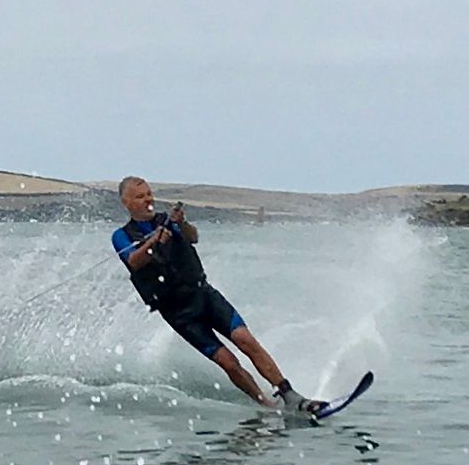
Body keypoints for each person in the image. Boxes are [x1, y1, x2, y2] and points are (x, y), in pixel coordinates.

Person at [111, 176, 324, 414]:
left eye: (149, 194)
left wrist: (182, 224)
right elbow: (134, 261)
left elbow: (193, 237)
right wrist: (154, 241)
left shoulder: (168, 221)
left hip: (203, 294)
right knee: (228, 363)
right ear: (126, 202)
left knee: (245, 339)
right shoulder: (121, 236)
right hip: (178, 312)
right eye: (140, 196)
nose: (148, 199)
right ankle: (268, 405)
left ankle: (290, 395)